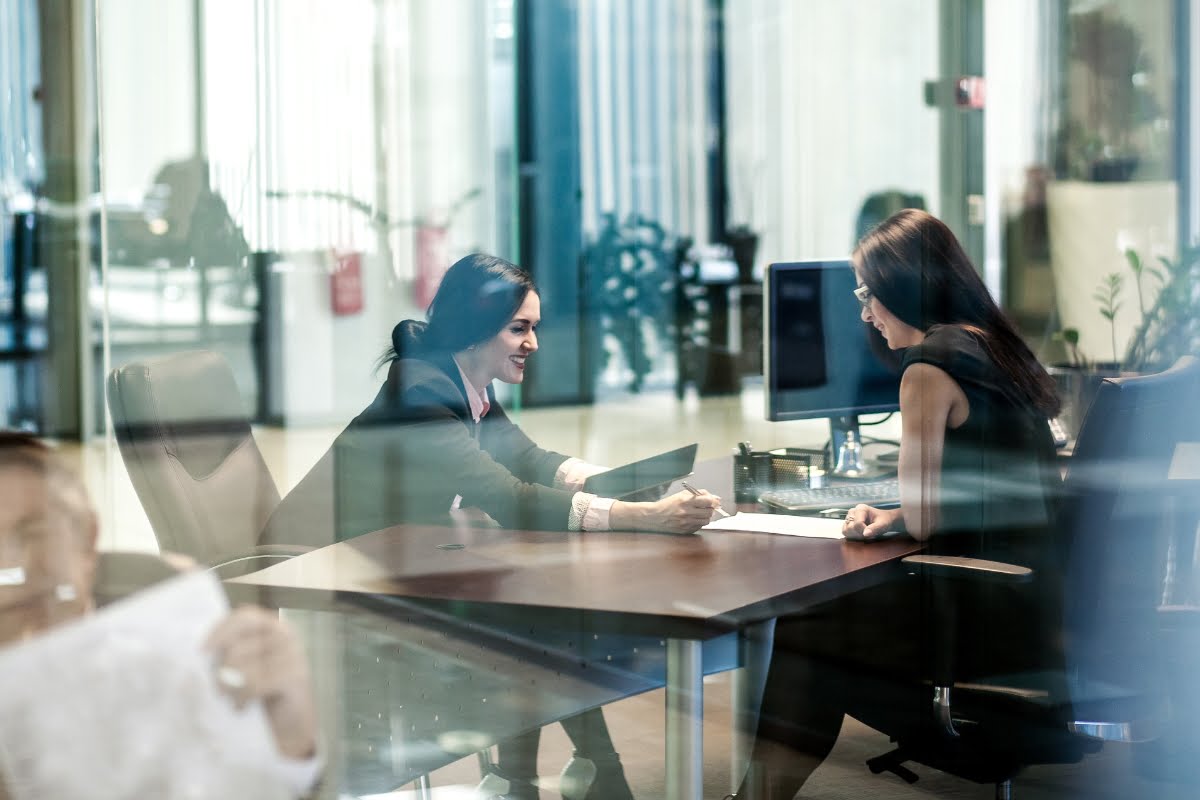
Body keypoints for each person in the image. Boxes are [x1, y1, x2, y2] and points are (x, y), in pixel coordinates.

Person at [263, 253, 720, 800]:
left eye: (534, 328)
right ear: (477, 329)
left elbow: (527, 459)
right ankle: (569, 776)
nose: (533, 343)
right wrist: (642, 518)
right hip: (326, 566)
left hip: (393, 554)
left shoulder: (465, 379)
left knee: (544, 619)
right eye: (519, 329)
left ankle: (535, 778)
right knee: (539, 625)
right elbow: (507, 497)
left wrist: (619, 480)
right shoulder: (421, 393)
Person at [733, 209, 1063, 799]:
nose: (864, 312)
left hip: (980, 625)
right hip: (1032, 610)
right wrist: (892, 518)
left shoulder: (929, 365)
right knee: (829, 623)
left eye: (868, 293)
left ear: (902, 287)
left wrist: (904, 513)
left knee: (812, 625)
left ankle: (758, 797)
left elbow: (930, 517)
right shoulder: (992, 346)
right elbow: (972, 496)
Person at [0, 431, 321, 799]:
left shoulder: (173, 630)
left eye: (35, 533)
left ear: (87, 540)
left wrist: (290, 746)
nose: (11, 566)